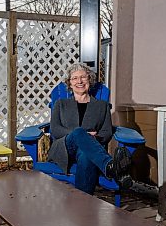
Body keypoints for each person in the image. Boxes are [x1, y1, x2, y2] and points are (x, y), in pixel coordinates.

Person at [47, 63, 132, 195]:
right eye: (74, 78)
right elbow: (55, 130)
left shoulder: (102, 106)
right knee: (78, 132)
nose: (79, 81)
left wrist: (91, 139)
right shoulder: (61, 104)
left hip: (91, 150)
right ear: (69, 83)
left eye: (83, 77)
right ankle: (109, 165)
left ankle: (82, 205)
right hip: (64, 147)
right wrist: (81, 135)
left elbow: (106, 132)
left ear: (89, 80)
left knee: (86, 155)